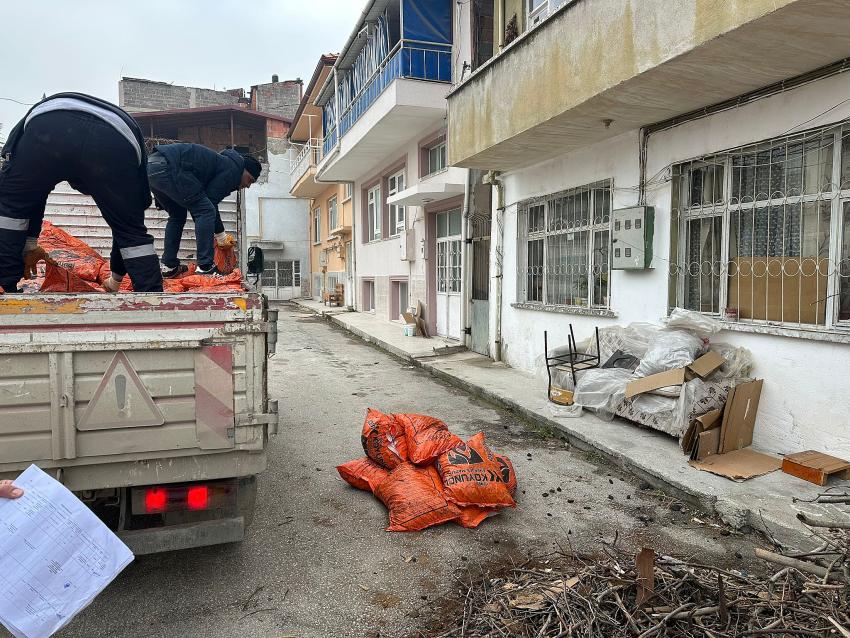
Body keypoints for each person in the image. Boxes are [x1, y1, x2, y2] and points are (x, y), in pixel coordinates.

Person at [0, 92, 163, 293]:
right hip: (114, 138)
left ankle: (4, 288)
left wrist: (28, 241)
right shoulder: (134, 172)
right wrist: (115, 280)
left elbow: (24, 199)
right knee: (130, 230)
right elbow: (128, 231)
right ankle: (152, 302)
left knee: (10, 212)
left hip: (48, 124)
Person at [147, 143, 261, 277]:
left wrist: (220, 234)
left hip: (152, 167)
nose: (248, 186)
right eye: (250, 180)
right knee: (205, 211)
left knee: (177, 216)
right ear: (245, 170)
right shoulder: (233, 170)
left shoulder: (223, 163)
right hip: (170, 167)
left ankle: (169, 266)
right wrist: (221, 236)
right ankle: (205, 266)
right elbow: (208, 207)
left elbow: (208, 203)